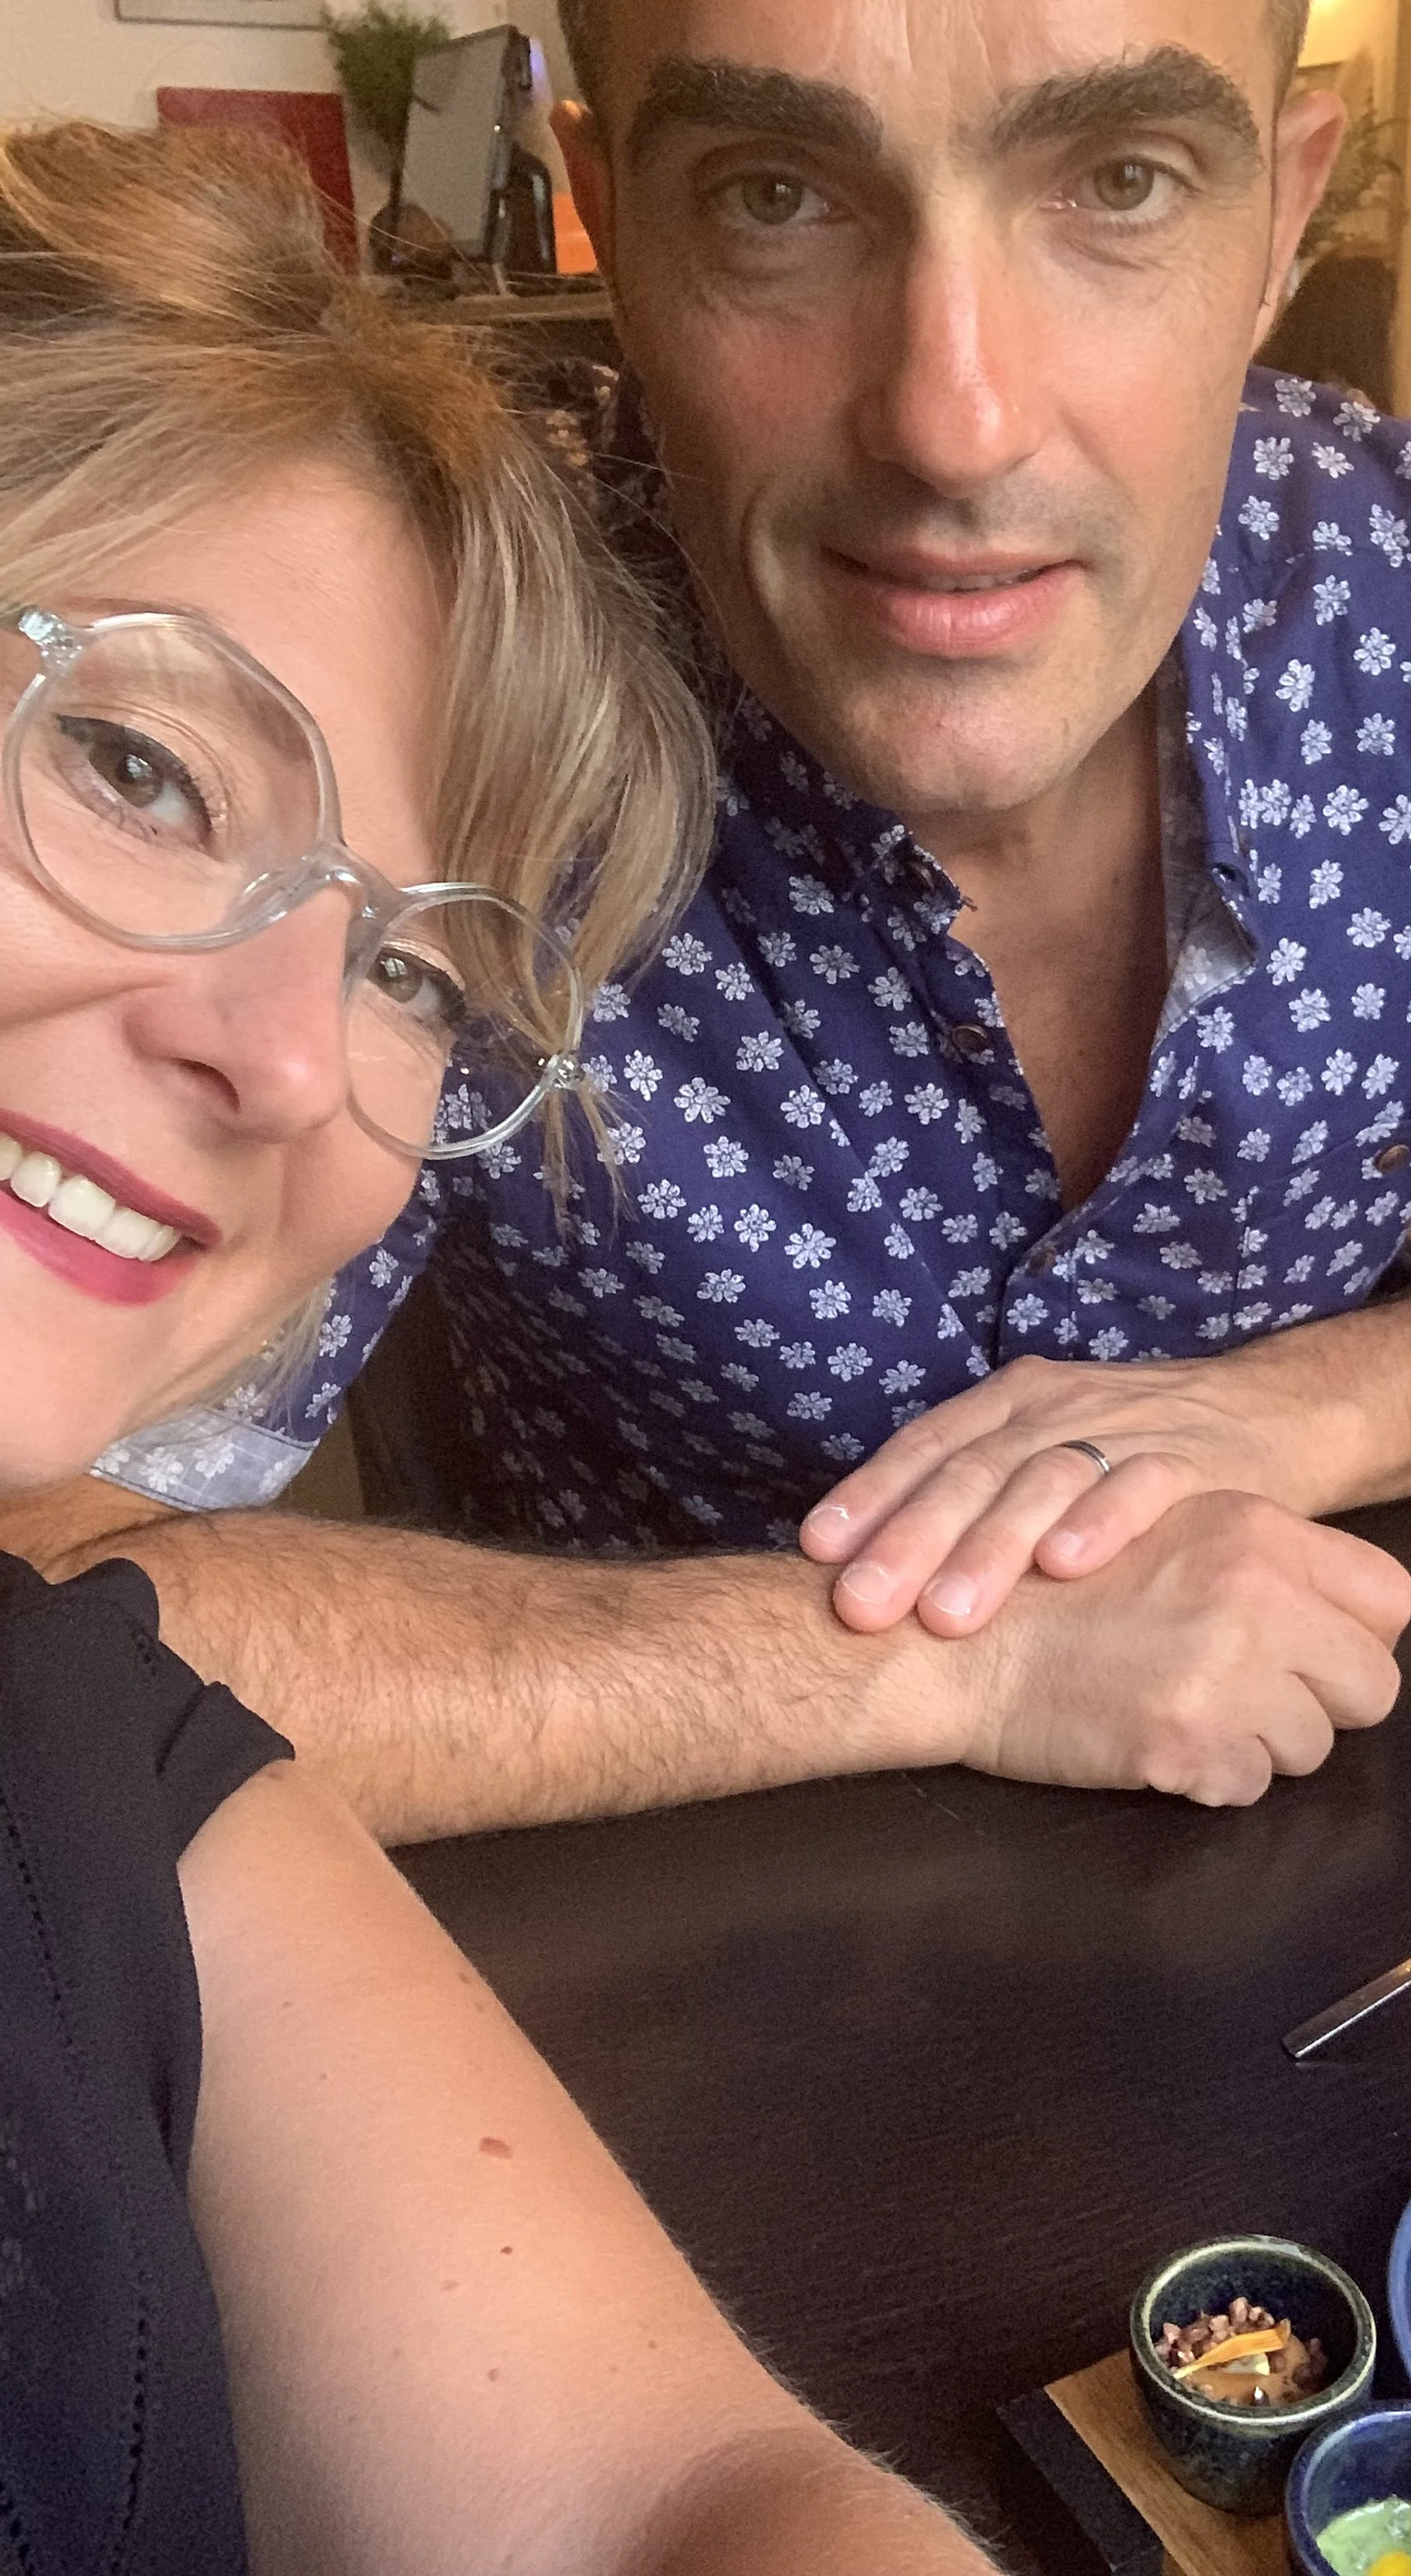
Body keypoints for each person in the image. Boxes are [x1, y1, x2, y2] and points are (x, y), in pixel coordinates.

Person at [21, 0, 1411, 1844]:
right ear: (619, 226)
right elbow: (48, 1606)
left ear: (1279, 225)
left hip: (1322, 1817)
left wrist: (1300, 1412)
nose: (954, 420)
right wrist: (927, 1666)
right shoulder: (466, 684)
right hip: (660, 1913)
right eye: (772, 196)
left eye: (1123, 182)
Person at [0, 119, 996, 2576]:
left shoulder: (76, 1741)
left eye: (417, 974)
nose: (289, 1053)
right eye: (140, 765)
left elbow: (669, 2499)